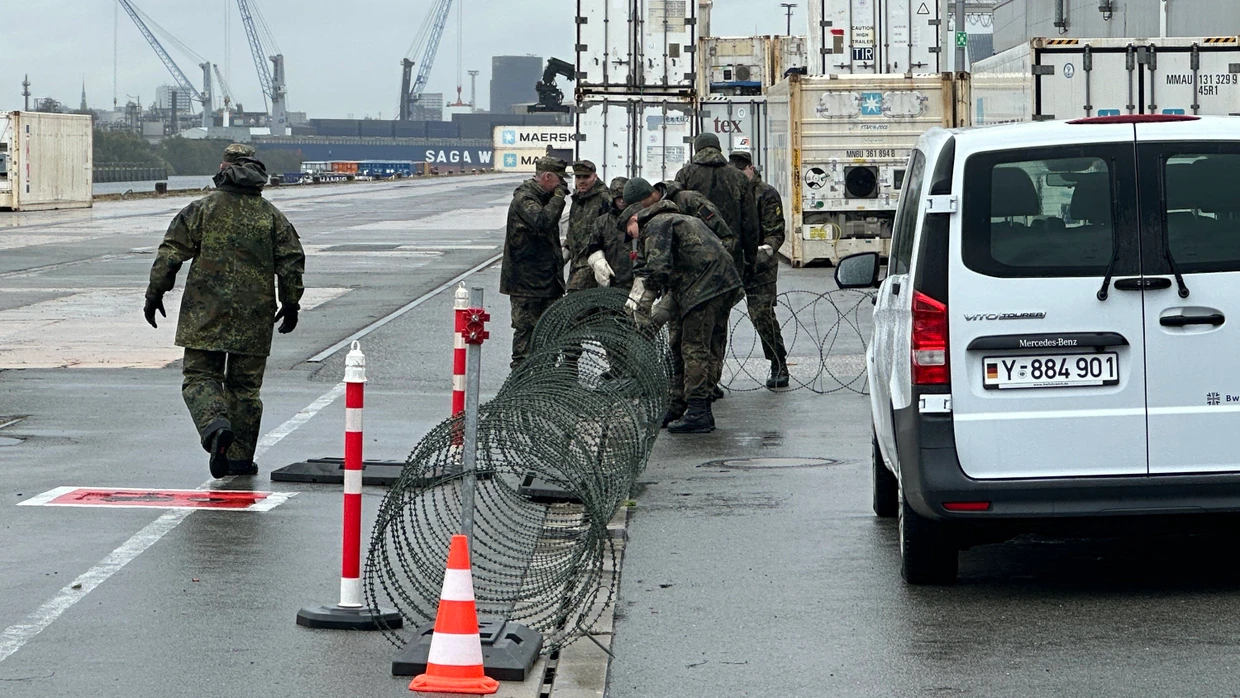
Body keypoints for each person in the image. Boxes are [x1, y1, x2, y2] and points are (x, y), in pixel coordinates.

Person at [144, 143, 305, 479]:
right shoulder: (271, 216)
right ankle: (239, 460)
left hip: (204, 314)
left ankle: (215, 426)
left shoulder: (201, 210)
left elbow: (171, 252)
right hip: (255, 316)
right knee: (245, 389)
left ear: (224, 167)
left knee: (200, 377)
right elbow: (291, 262)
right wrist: (291, 302)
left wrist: (155, 292)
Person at [625, 200, 743, 434]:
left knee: (694, 347)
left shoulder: (657, 224)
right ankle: (678, 405)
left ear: (634, 220)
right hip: (720, 284)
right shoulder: (681, 219)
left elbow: (658, 269)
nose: (633, 239)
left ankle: (699, 411)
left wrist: (645, 302)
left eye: (630, 233)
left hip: (704, 288)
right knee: (686, 344)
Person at [501, 156, 569, 369]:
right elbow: (543, 222)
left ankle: (543, 378)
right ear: (547, 176)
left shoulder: (542, 198)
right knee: (526, 334)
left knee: (549, 333)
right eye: (559, 180)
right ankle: (520, 382)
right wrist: (558, 198)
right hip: (526, 284)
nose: (562, 185)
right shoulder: (525, 199)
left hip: (546, 282)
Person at [731, 151, 790, 388]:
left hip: (760, 264)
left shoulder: (766, 194)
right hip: (733, 261)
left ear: (751, 169)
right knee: (714, 317)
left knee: (761, 315)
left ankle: (778, 363)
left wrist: (766, 249)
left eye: (741, 171)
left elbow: (775, 231)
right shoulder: (729, 192)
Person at [673, 132, 759, 282]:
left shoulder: (685, 174)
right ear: (719, 149)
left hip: (693, 252)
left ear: (697, 150)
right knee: (722, 300)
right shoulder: (738, 177)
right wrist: (751, 260)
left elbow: (676, 215)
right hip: (729, 253)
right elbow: (749, 221)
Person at [564, 160, 616, 291]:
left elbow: (613, 231)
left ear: (595, 176)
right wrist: (565, 252)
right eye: (578, 177)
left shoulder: (604, 198)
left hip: (595, 264)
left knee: (576, 303)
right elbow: (573, 230)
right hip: (577, 264)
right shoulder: (578, 199)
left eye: (586, 177)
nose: (581, 181)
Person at [587, 177, 634, 291]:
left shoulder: (638, 219)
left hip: (632, 281)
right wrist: (598, 261)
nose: (621, 201)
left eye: (624, 197)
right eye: (618, 198)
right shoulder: (602, 222)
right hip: (609, 281)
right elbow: (593, 246)